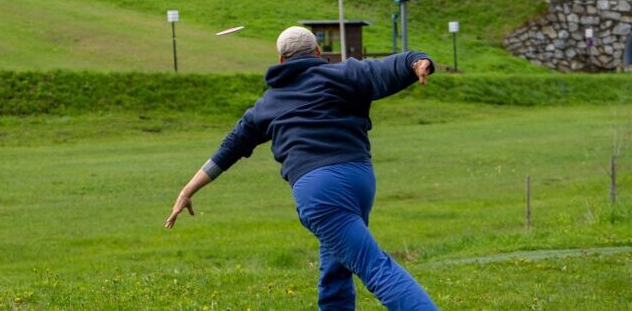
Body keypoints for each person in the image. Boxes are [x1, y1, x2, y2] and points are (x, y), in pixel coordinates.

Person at [165, 26, 439, 311]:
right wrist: (419, 62)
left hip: (320, 191)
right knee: (335, 266)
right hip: (360, 179)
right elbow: (392, 66)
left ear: (281, 60)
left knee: (375, 268)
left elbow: (228, 150)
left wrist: (187, 190)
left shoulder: (267, 104)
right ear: (318, 53)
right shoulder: (347, 73)